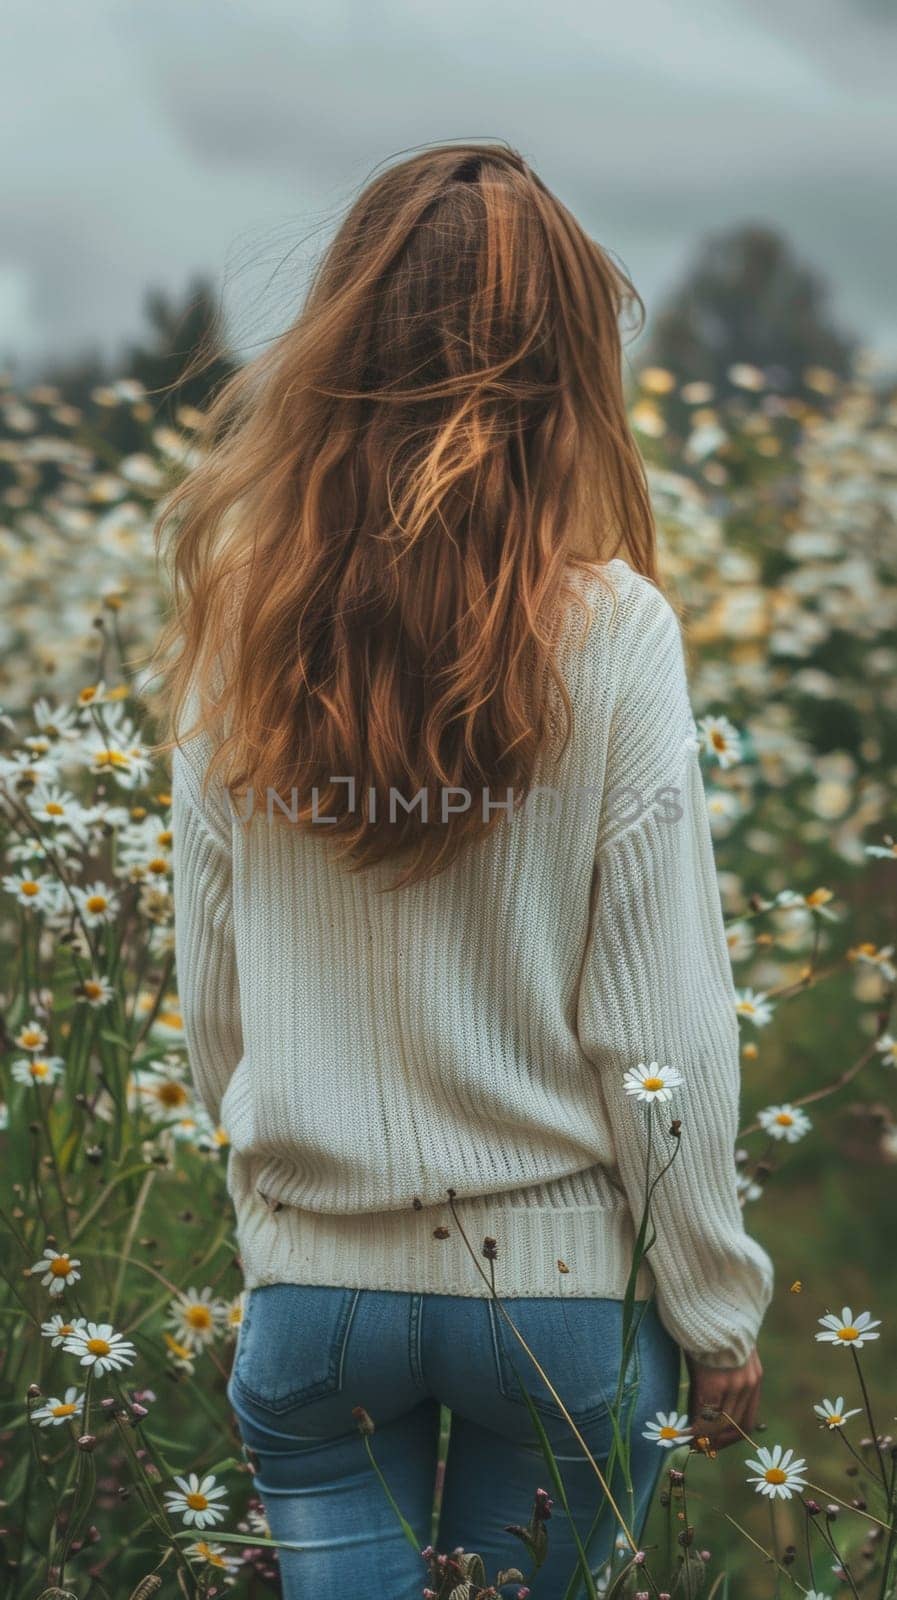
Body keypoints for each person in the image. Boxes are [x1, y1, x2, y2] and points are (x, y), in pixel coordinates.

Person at [160, 141, 772, 1599]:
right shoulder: (613, 631)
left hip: (314, 1299)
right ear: (567, 374)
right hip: (557, 1308)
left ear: (338, 346)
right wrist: (712, 1304)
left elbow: (213, 1000)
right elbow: (663, 1029)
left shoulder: (240, 618)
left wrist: (286, 1227)